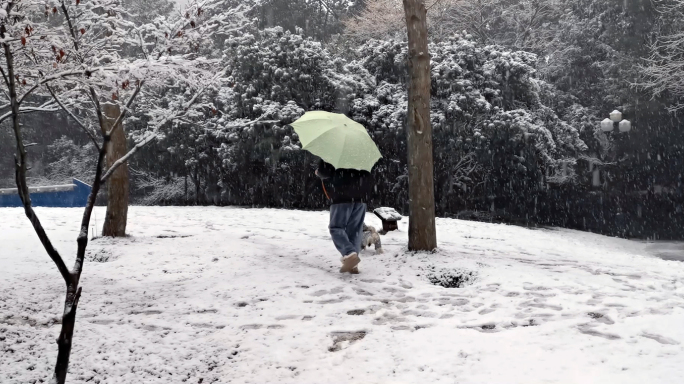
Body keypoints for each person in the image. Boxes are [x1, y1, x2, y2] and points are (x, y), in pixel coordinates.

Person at [315, 159, 373, 274]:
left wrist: (318, 172)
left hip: (342, 196)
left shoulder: (333, 149)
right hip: (361, 196)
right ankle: (352, 263)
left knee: (336, 227)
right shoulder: (361, 151)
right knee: (355, 230)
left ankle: (349, 253)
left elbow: (325, 171)